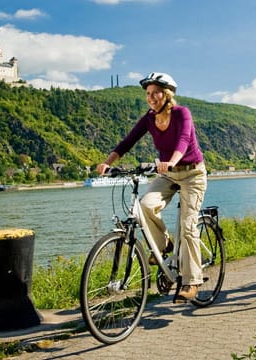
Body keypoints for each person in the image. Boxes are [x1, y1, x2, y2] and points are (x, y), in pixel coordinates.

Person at [96, 72, 207, 301]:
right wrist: (108, 163)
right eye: (148, 93)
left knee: (187, 227)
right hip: (168, 174)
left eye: (156, 92)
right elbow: (128, 141)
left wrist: (172, 161)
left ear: (166, 94)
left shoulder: (181, 113)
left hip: (192, 173)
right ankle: (164, 244)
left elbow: (184, 141)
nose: (151, 97)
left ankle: (192, 280)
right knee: (144, 207)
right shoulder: (149, 118)